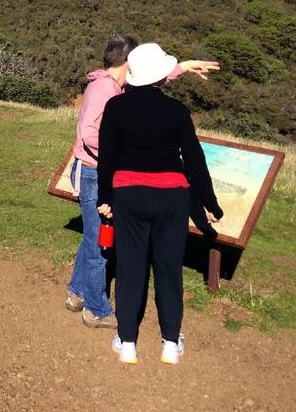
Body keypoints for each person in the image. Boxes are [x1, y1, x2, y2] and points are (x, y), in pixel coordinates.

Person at [66, 35, 219, 329]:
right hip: (94, 172)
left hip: (96, 170)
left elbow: (150, 80)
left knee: (92, 238)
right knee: (100, 244)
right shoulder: (105, 90)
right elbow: (88, 133)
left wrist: (183, 67)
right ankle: (96, 308)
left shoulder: (112, 84)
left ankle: (76, 293)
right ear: (126, 62)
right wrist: (122, 151)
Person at [96, 43, 224, 365]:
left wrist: (105, 197)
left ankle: (127, 342)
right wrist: (210, 203)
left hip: (129, 196)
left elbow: (107, 159)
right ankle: (170, 342)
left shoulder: (115, 107)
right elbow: (195, 160)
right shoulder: (178, 111)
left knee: (130, 268)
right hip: (172, 199)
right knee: (168, 270)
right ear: (163, 77)